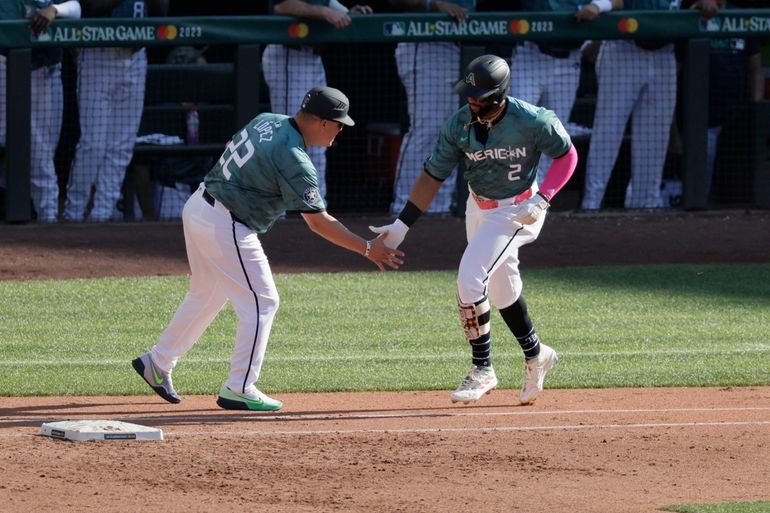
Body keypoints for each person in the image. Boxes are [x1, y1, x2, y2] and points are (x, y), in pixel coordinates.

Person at [132, 86, 404, 411]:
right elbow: (318, 223)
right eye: (338, 123)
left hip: (199, 207)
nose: (341, 130)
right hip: (225, 223)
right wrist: (366, 248)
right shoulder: (294, 158)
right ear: (320, 121)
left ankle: (157, 362)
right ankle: (240, 386)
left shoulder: (268, 120)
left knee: (206, 294)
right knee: (264, 301)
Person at [371, 56, 578, 405]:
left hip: (518, 210)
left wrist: (544, 198)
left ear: (498, 94)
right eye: (468, 93)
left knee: (470, 279)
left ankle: (482, 368)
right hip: (478, 206)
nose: (470, 100)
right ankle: (537, 354)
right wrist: (402, 224)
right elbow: (432, 176)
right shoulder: (458, 125)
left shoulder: (532, 120)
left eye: (478, 95)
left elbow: (567, 156)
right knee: (502, 288)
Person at [580, 0, 718, 210]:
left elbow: (705, 5)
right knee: (608, 135)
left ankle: (645, 205)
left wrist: (707, 4)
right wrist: (598, 6)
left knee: (655, 139)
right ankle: (591, 205)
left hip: (664, 54)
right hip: (623, 50)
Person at [63, 0, 168, 222]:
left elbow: (162, 10)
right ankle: (73, 213)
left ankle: (102, 213)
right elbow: (89, 7)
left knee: (122, 146)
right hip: (98, 54)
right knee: (93, 145)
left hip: (135, 56)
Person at [261, 0, 373, 201]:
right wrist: (324, 12)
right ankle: (280, 212)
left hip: (313, 57)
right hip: (288, 54)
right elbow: (282, 5)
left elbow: (327, 3)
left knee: (320, 136)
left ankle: (317, 205)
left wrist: (347, 12)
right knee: (289, 138)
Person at [510, 0, 622, 185]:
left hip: (569, 62)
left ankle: (537, 203)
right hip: (531, 56)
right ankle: (512, 199)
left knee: (551, 139)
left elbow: (617, 2)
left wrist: (596, 7)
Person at [388, 0, 474, 215]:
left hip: (458, 45)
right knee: (427, 129)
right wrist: (433, 3)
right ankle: (403, 206)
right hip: (424, 41)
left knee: (453, 132)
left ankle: (438, 207)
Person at [0, 0, 82, 222]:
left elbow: (76, 8)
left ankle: (47, 222)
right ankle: (46, 217)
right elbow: (12, 25)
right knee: (35, 153)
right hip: (9, 69)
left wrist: (54, 10)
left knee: (43, 152)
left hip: (46, 72)